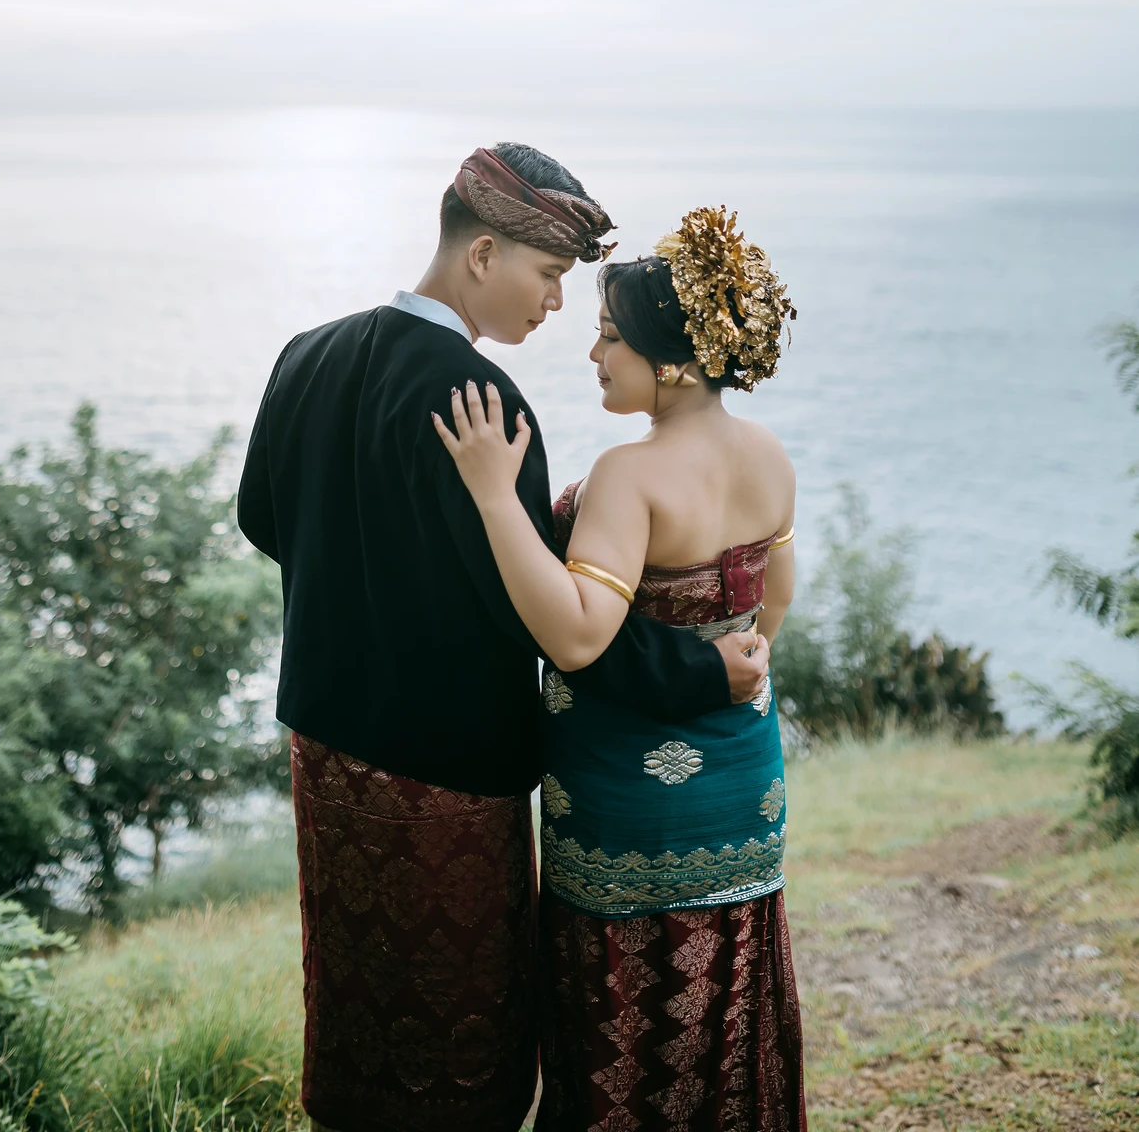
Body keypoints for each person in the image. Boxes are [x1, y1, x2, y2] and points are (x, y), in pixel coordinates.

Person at [238, 147, 771, 1132]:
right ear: (483, 253)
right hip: (446, 764)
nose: (557, 303)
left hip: (323, 745)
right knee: (459, 1029)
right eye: (549, 274)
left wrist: (358, 596)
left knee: (354, 992)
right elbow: (545, 612)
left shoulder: (304, 352)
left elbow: (262, 517)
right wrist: (702, 667)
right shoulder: (484, 404)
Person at [435, 205, 806, 1130]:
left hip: (627, 809)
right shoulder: (768, 455)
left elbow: (575, 637)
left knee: (624, 1026)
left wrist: (494, 497)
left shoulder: (628, 474)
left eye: (609, 336)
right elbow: (772, 608)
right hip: (741, 789)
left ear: (670, 360)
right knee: (724, 1015)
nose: (592, 352)